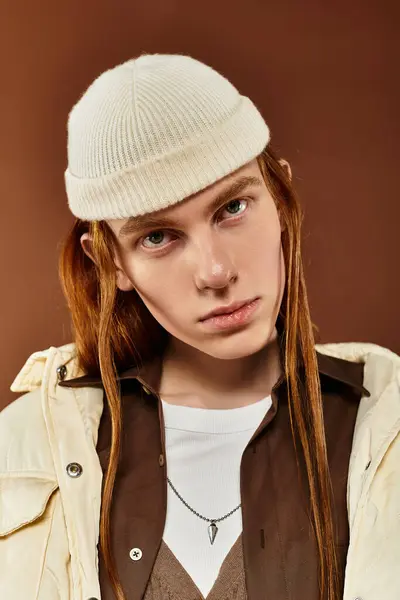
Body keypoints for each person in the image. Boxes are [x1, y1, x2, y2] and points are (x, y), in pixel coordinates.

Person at [0, 53, 399, 600]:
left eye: (233, 207)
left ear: (279, 198)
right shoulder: (24, 449)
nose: (216, 272)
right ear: (111, 264)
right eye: (158, 237)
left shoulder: (384, 425)